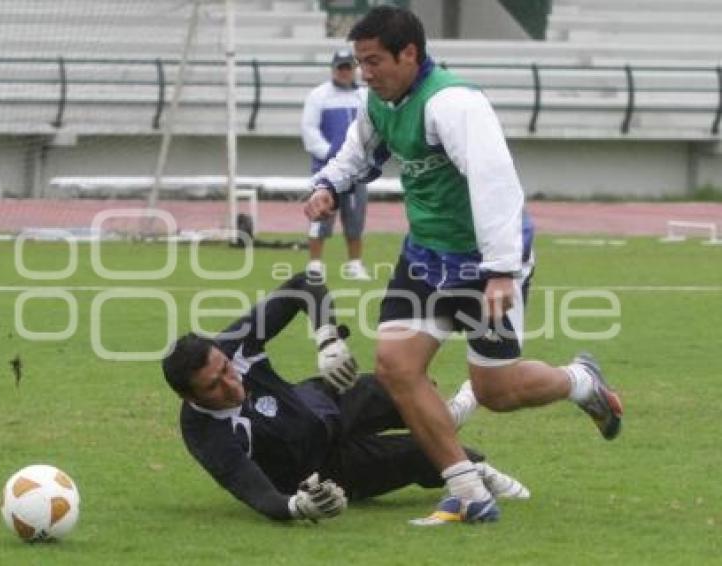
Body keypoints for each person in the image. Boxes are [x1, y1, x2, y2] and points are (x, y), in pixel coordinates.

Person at [303, 6, 623, 525]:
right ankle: (468, 489)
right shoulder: (379, 101)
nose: (366, 72)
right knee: (394, 365)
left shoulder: (453, 103)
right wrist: (328, 186)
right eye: (361, 62)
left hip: (484, 263)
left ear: (409, 53)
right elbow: (357, 153)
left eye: (375, 61)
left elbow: (495, 183)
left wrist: (500, 269)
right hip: (426, 258)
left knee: (497, 391)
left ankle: (580, 382)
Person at [161, 273, 529, 523]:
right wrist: (296, 507)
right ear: (188, 396)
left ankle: (448, 413)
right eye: (214, 386)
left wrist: (327, 336)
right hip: (327, 468)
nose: (230, 383)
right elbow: (251, 490)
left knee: (404, 384)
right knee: (433, 456)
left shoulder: (231, 345)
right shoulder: (202, 432)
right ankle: (476, 468)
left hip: (324, 402)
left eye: (226, 368)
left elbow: (303, 285)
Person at [301, 48, 371, 281]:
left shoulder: (364, 96)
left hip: (357, 170)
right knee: (320, 215)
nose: (344, 72)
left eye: (348, 67)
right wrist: (330, 152)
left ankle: (354, 264)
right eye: (340, 67)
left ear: (354, 70)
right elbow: (309, 130)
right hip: (325, 168)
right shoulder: (319, 95)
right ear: (333, 69)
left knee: (355, 217)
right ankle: (315, 264)